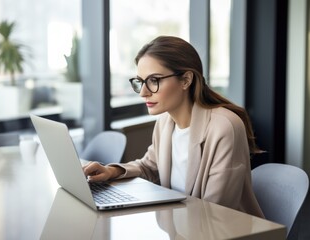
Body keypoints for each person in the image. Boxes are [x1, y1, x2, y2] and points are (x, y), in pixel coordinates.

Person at [83, 36, 264, 218]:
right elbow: (150, 166)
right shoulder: (165, 122)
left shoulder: (224, 128)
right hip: (181, 228)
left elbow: (214, 211)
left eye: (154, 80)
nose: (143, 93)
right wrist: (111, 171)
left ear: (186, 80)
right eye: (140, 82)